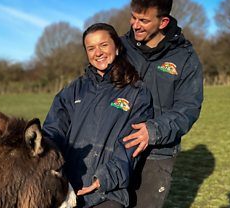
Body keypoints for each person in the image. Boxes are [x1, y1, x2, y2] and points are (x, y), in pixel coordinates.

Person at [42, 23, 153, 208]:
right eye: (91, 48)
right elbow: (53, 132)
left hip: (108, 192)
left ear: (116, 47)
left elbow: (130, 145)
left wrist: (104, 178)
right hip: (68, 191)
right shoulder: (72, 91)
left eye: (103, 45)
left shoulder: (136, 93)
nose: (98, 52)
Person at [120, 0, 204, 208]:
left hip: (158, 153)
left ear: (163, 22)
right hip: (115, 146)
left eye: (144, 21)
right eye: (133, 17)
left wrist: (153, 131)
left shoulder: (185, 58)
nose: (135, 25)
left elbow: (188, 108)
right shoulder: (120, 47)